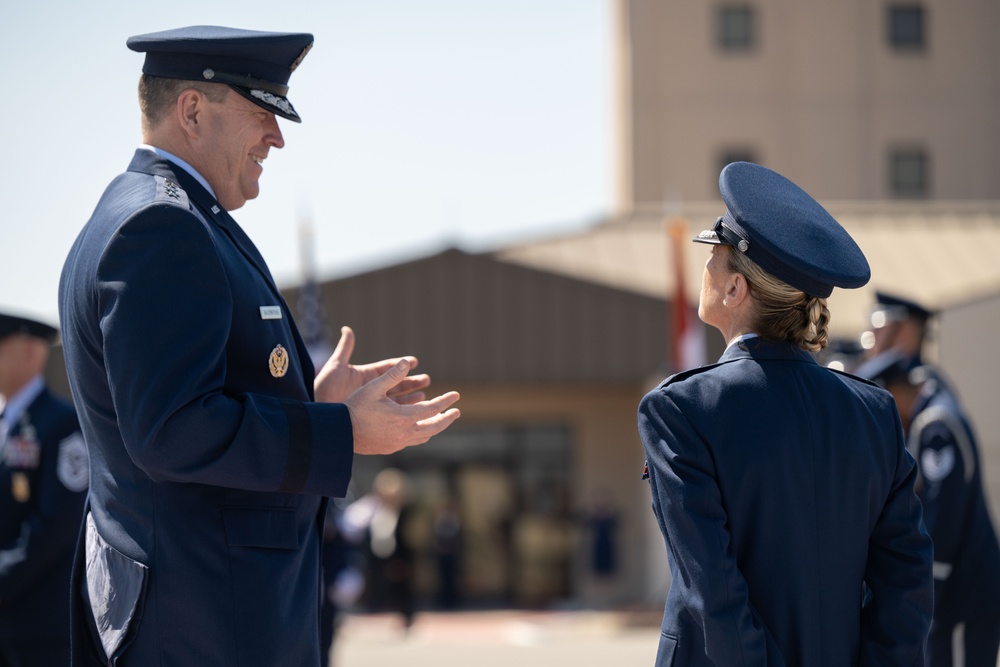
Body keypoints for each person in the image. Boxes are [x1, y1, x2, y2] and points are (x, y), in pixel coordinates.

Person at [58, 26, 460, 666]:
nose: (276, 136)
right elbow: (172, 429)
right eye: (260, 110)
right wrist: (336, 432)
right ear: (192, 110)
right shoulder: (163, 226)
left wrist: (310, 401)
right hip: (206, 618)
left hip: (204, 613)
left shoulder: (165, 215)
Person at [637, 162, 933, 666]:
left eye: (715, 253)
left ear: (736, 289)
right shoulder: (874, 412)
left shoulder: (680, 410)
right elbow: (906, 584)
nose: (705, 265)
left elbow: (714, 594)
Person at [859, 351, 1000, 666]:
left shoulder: (936, 426)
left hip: (963, 595)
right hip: (961, 590)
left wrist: (924, 590)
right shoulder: (934, 415)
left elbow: (944, 515)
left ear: (893, 393)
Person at [0, 313, 88, 666]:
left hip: (40, 627)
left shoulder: (62, 423)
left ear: (30, 352)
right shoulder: (7, 424)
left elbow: (58, 524)